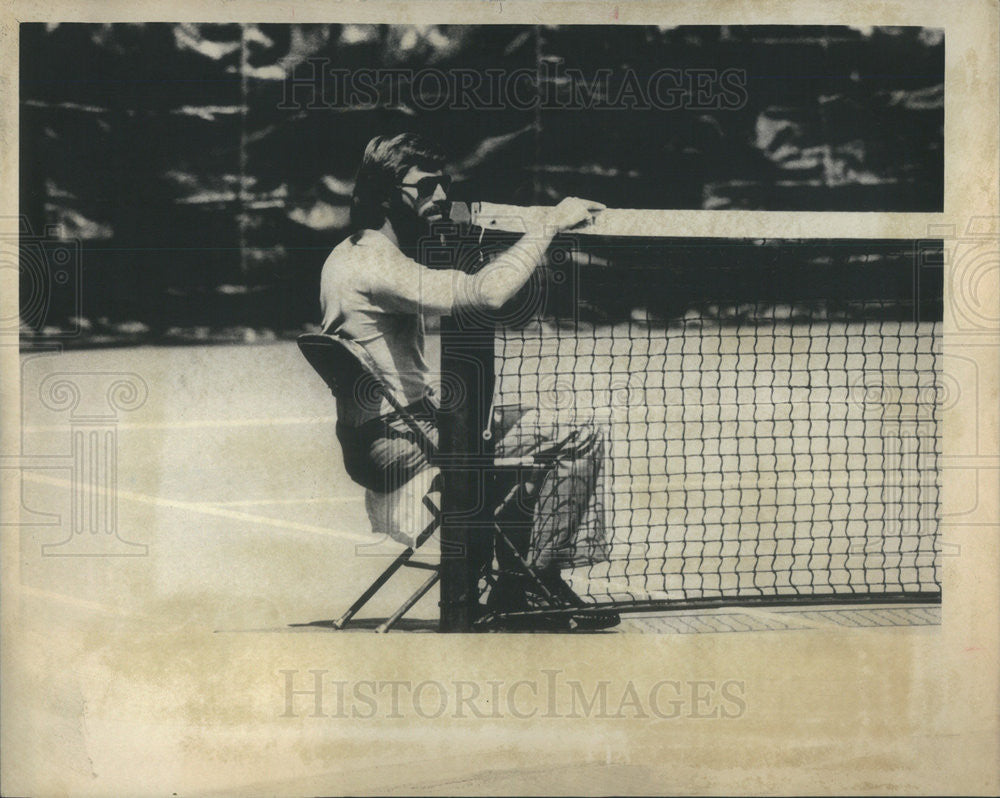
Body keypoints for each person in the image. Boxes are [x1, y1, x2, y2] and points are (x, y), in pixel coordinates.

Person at [319, 132, 615, 627]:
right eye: (426, 188)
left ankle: (522, 576)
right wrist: (549, 224)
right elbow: (489, 294)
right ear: (387, 194)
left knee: (531, 423)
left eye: (444, 186)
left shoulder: (345, 255)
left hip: (381, 437)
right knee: (577, 433)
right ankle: (528, 583)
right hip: (407, 444)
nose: (441, 199)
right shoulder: (376, 264)